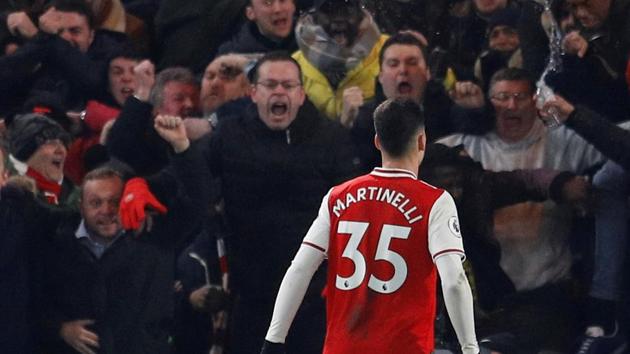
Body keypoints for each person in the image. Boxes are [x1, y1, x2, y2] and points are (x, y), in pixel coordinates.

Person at [260, 99, 479, 354]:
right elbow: (453, 280)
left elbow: (300, 269)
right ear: (422, 141)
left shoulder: (337, 197)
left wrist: (274, 340)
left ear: (377, 142)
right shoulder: (434, 202)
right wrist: (470, 347)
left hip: (342, 348)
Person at [437, 67, 606, 352]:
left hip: (547, 293)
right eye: (502, 97)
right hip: (485, 299)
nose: (511, 105)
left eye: (520, 96)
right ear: (489, 102)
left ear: (535, 101)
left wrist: (575, 183)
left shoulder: (563, 142)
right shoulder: (460, 148)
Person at [39, 114, 207, 354]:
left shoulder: (154, 234)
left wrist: (182, 148)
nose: (106, 211)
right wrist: (58, 328)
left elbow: (198, 202)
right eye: (95, 203)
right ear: (81, 206)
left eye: (114, 202)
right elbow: (31, 297)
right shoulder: (58, 242)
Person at [0, 0, 128, 114]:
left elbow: (95, 83)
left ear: (91, 35)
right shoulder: (43, 42)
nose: (66, 38)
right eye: (59, 31)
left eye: (75, 31)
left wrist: (50, 39)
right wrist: (39, 40)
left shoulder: (112, 50)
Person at [292, 0, 388, 122]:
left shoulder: (390, 53)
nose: (338, 18)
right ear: (314, 16)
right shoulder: (294, 66)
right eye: (328, 9)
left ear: (360, 12)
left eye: (347, 8)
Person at [106, 63, 200, 175]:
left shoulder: (206, 134)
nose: (190, 104)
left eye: (193, 98)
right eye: (179, 98)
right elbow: (119, 148)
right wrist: (143, 92)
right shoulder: (145, 135)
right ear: (157, 108)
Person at [217, 0, 298, 57]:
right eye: (268, 3)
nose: (278, 9)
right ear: (250, 13)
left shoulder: (309, 43)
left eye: (282, 0)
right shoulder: (232, 55)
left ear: (293, 5)